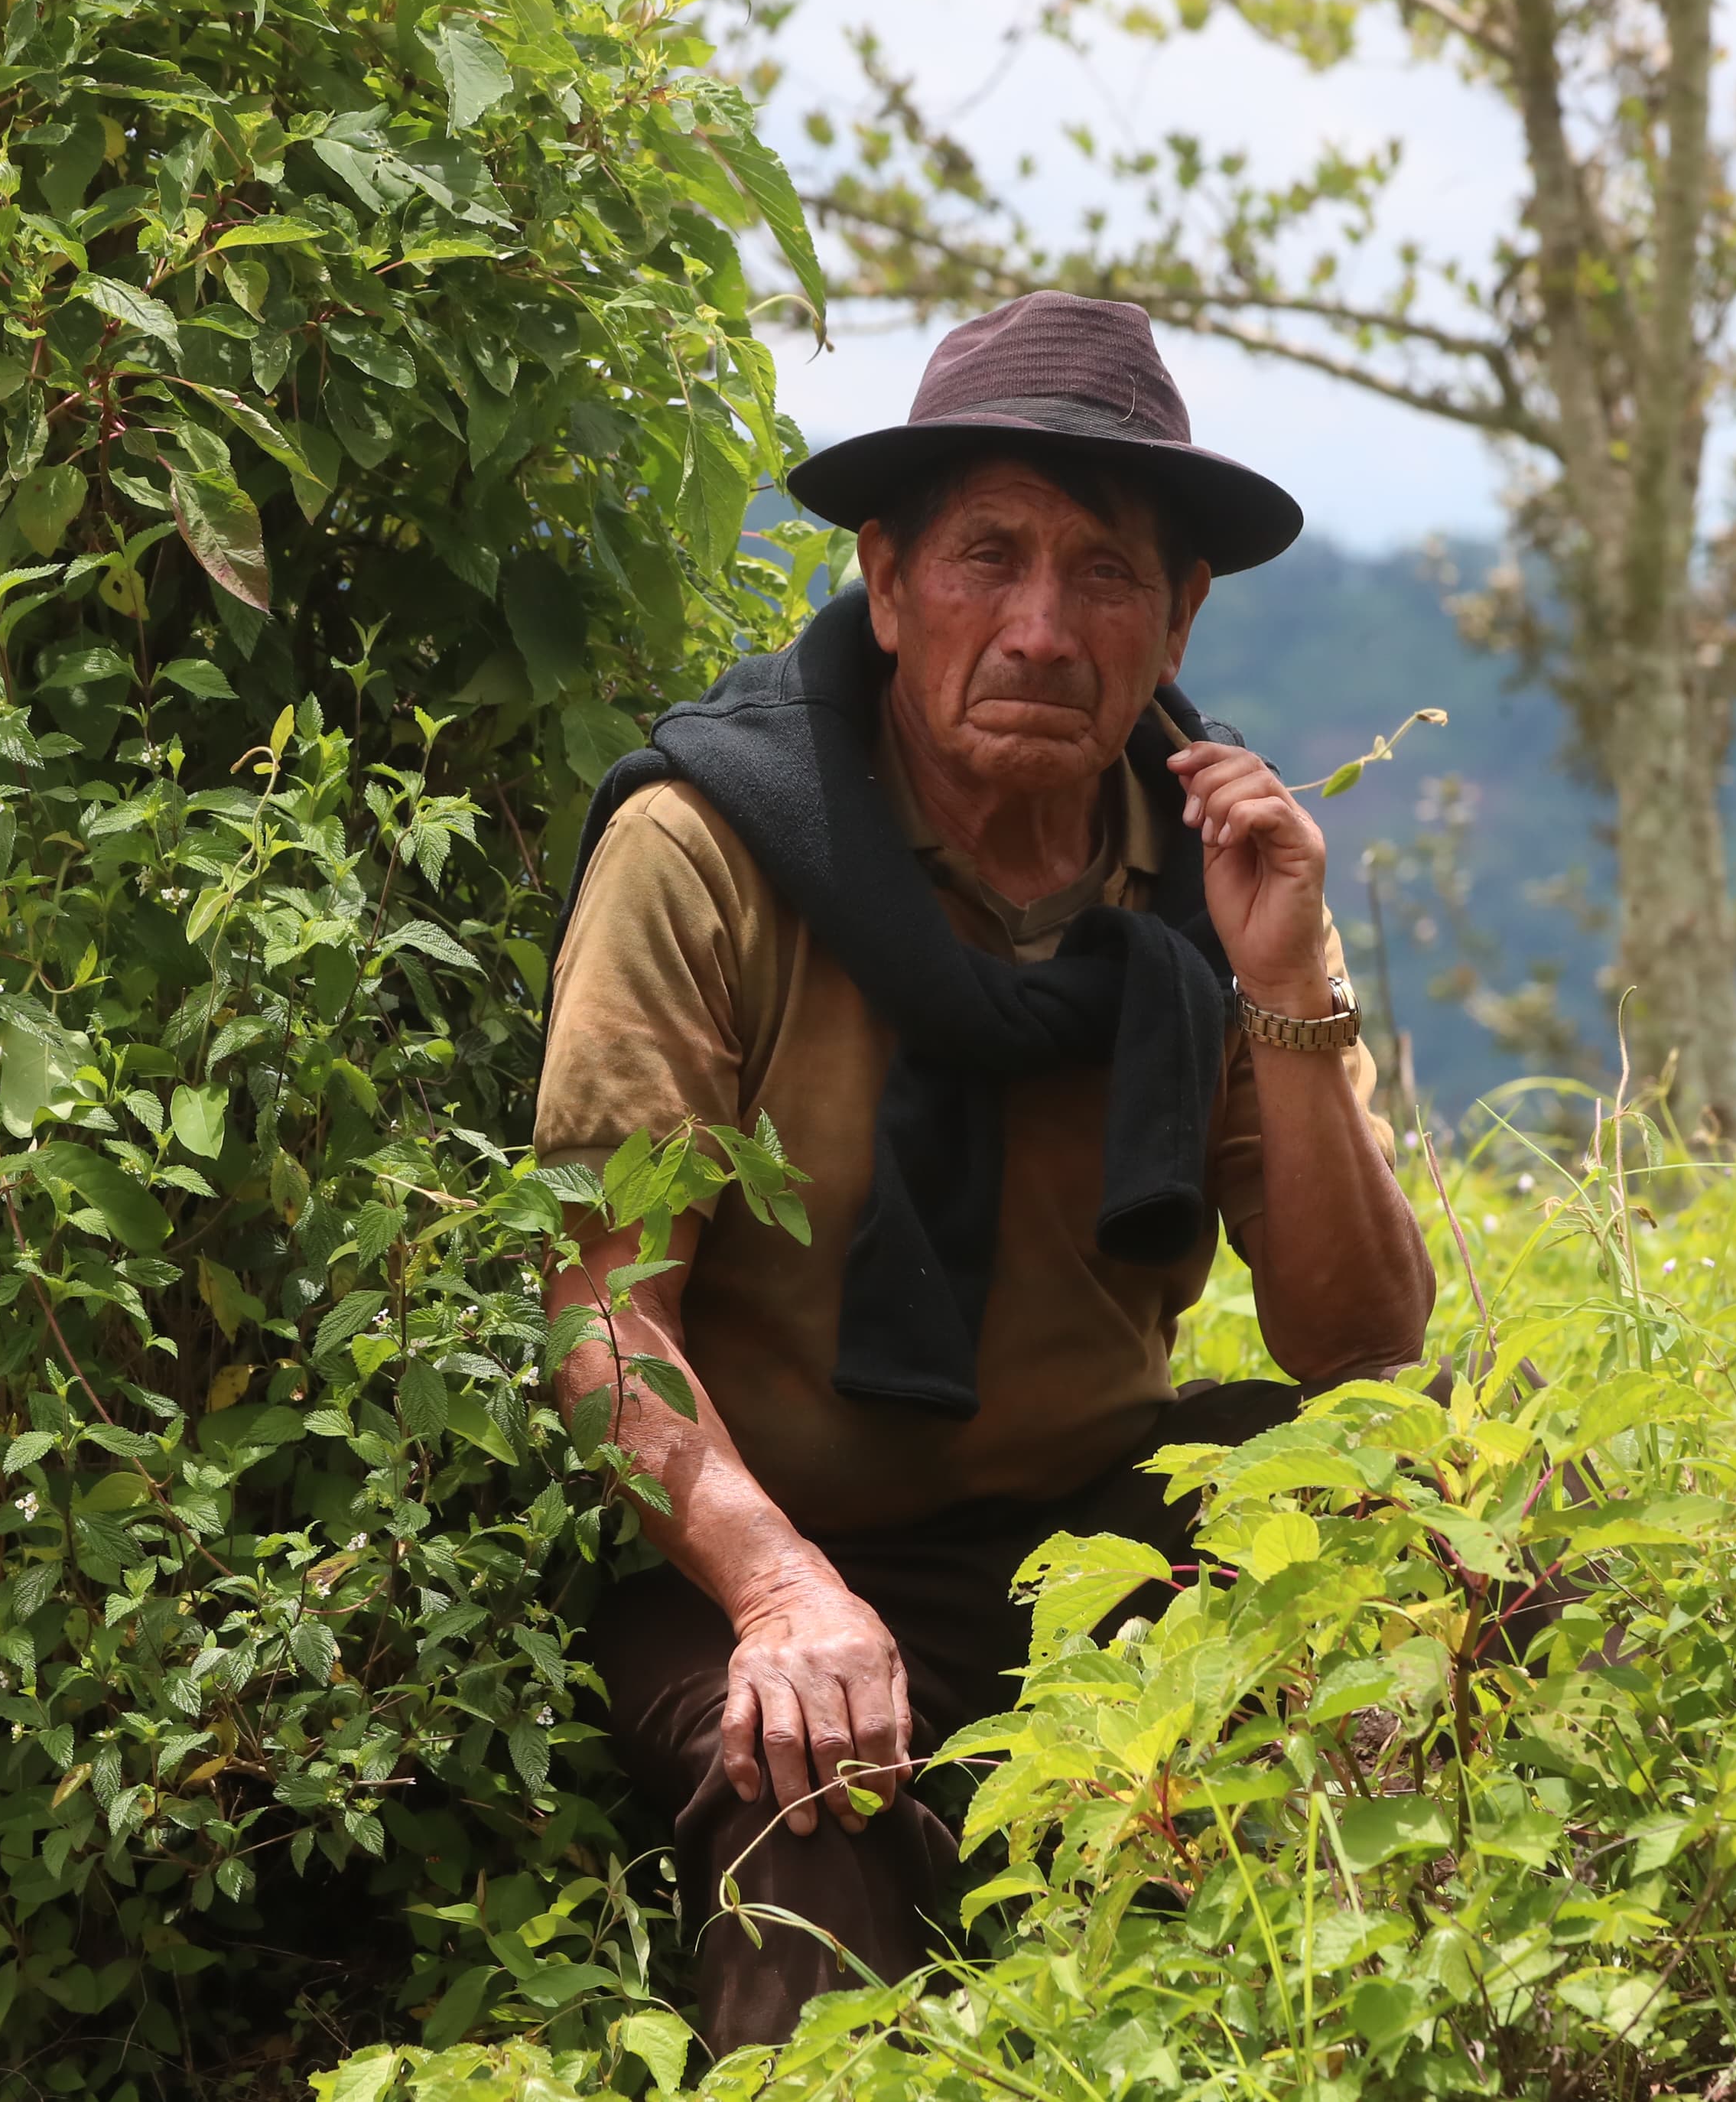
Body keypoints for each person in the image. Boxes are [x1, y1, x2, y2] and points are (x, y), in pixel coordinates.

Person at [535, 290, 1435, 2054]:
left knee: (1424, 1493)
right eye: (985, 558)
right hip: (763, 1541)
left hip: (1084, 1531)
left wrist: (1282, 989)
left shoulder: (1209, 870)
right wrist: (785, 1596)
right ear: (884, 583)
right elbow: (598, 1320)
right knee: (806, 1815)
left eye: (1103, 572)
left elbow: (1359, 1354)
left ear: (1176, 613)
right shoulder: (706, 847)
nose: (1040, 625)